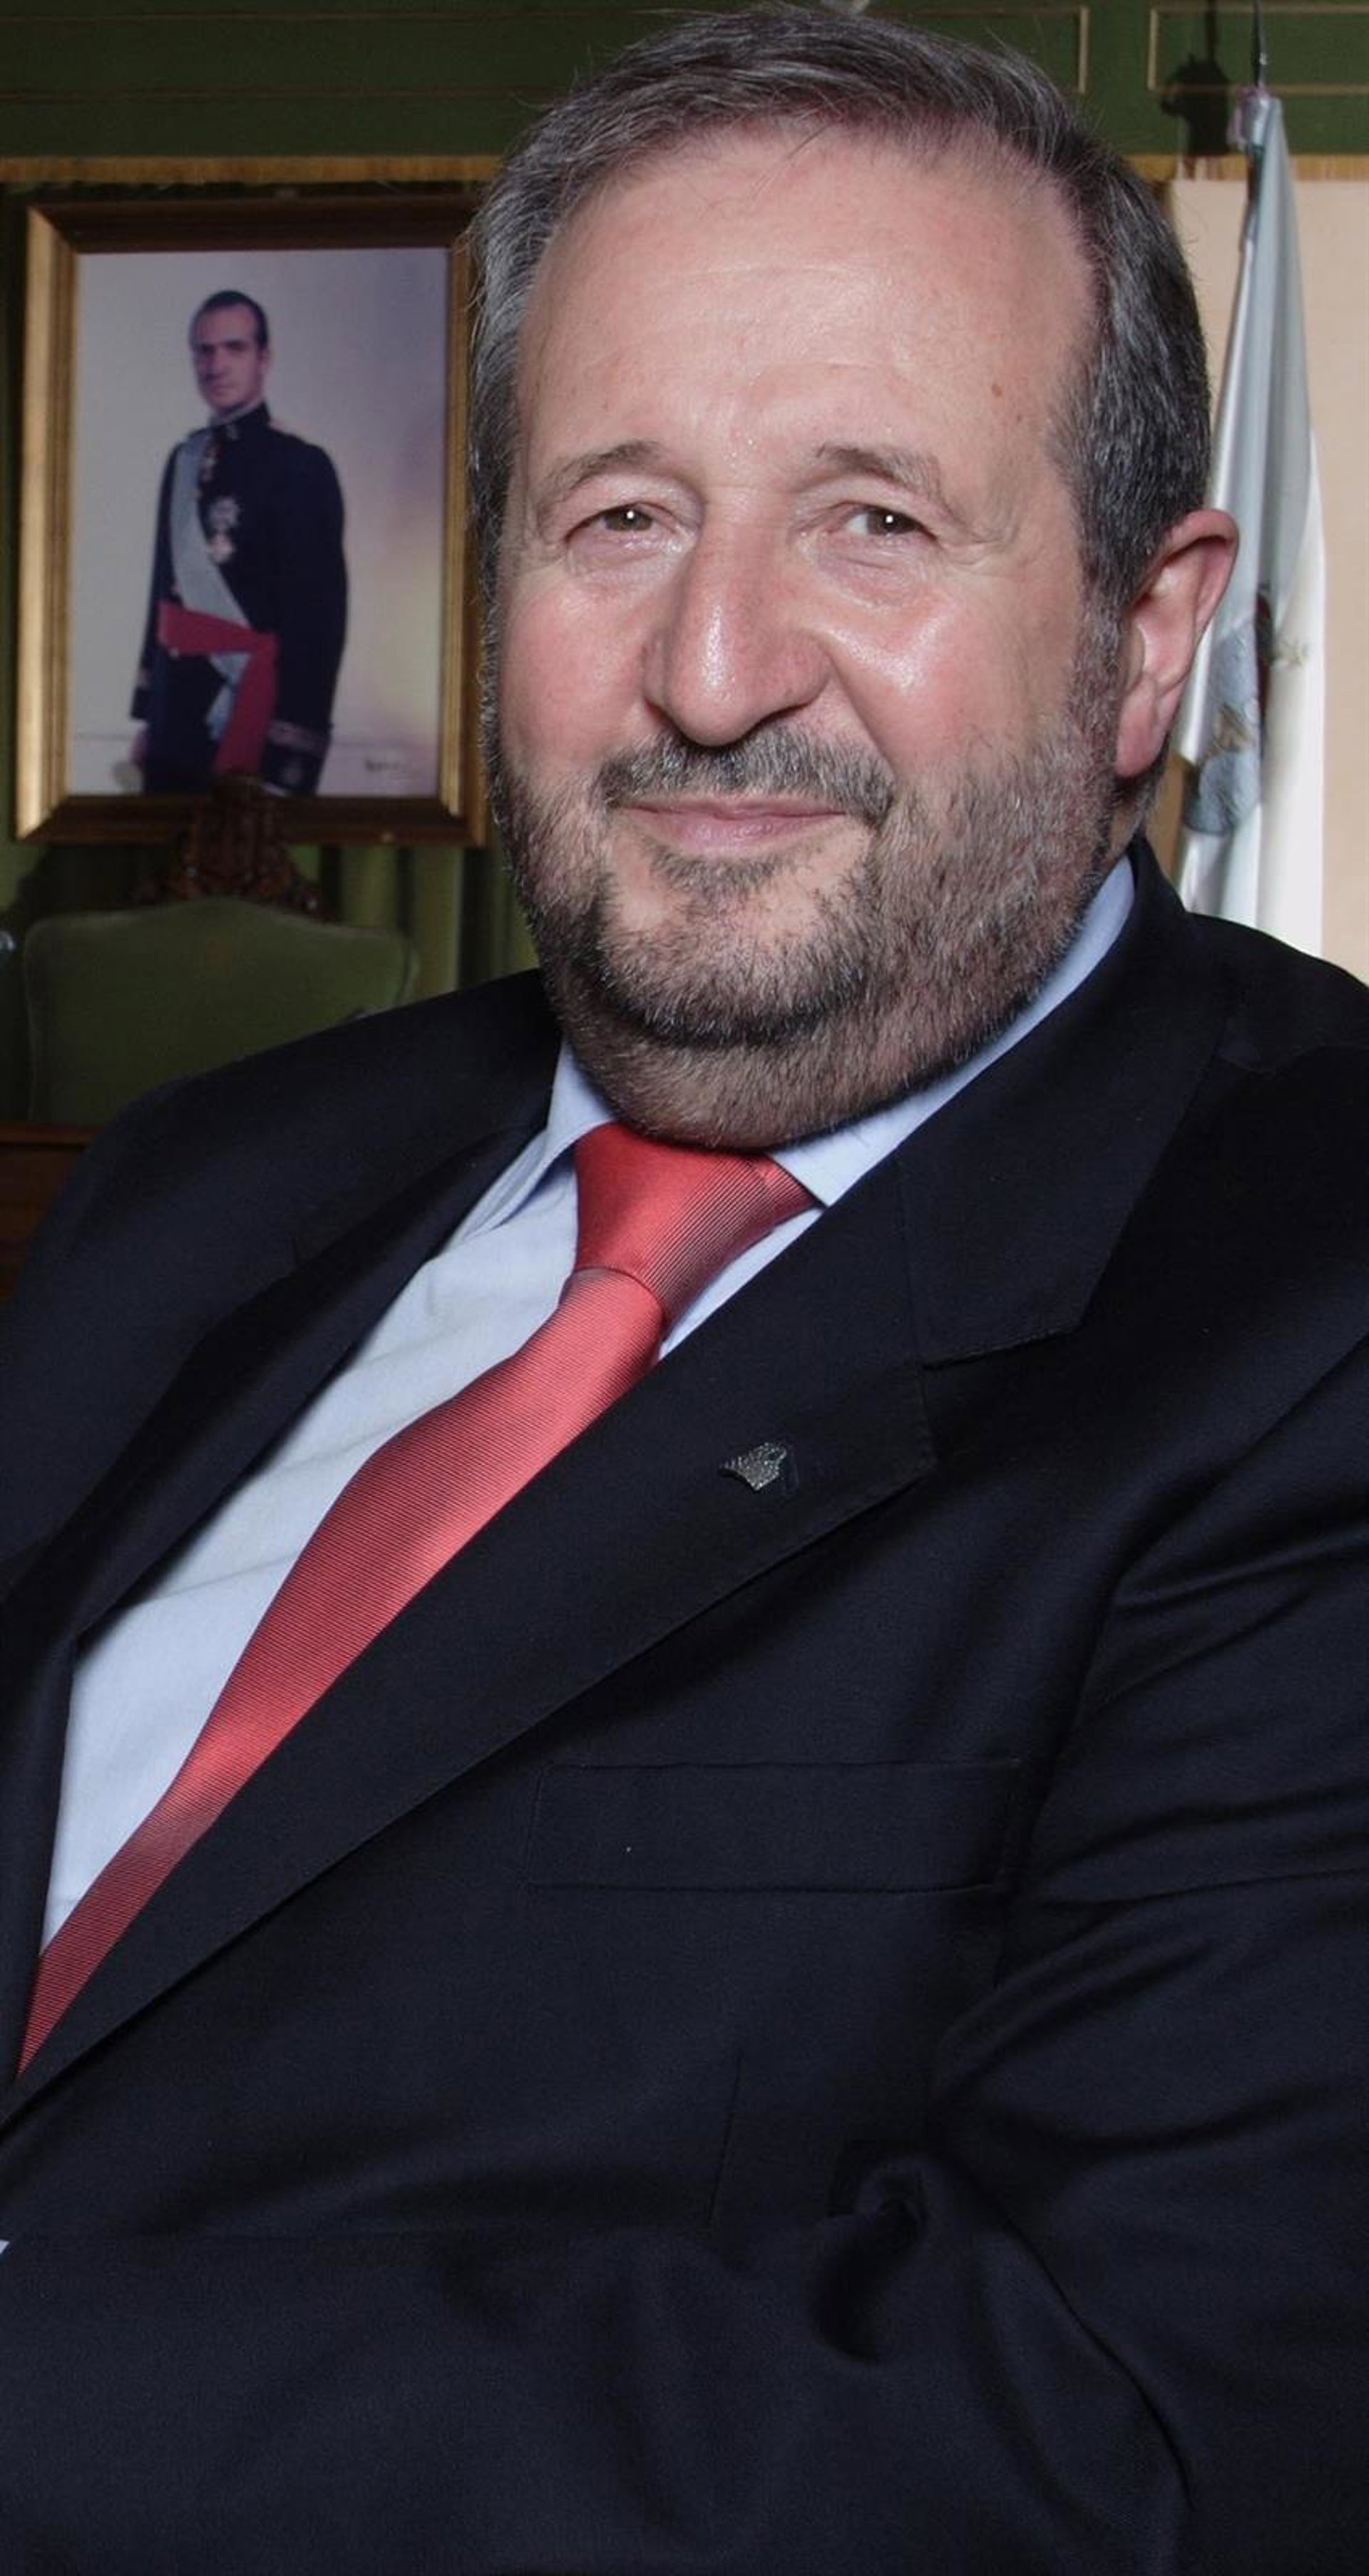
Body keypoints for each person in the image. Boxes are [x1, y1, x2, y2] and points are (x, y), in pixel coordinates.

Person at [1, 11, 1365, 2568]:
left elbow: (1127, 2426)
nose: (714, 671)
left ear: (1145, 634)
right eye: (618, 515)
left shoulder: (1307, 1304)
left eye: (875, 521)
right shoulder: (198, 1187)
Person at [129, 288, 347, 795]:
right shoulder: (183, 460)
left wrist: (289, 752)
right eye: (204, 351)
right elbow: (162, 593)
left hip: (250, 717)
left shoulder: (300, 466)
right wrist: (147, 714)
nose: (216, 365)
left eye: (234, 348)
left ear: (263, 358)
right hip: (173, 722)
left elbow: (318, 623)